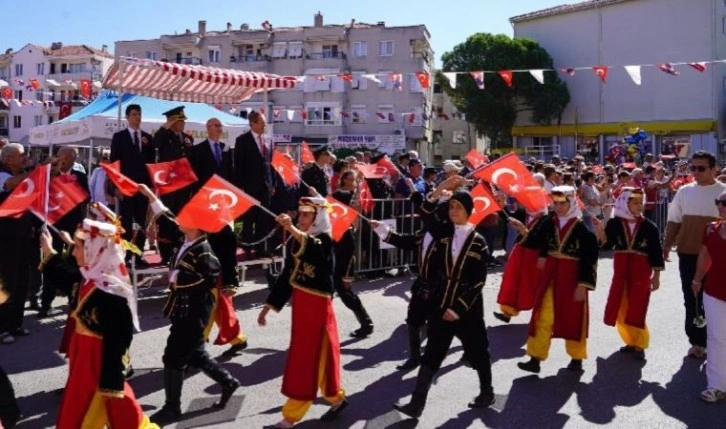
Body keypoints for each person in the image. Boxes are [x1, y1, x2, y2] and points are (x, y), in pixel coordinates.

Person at [393, 177, 495, 419]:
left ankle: (487, 391)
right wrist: (440, 190)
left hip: (466, 308)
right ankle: (416, 404)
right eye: (451, 206)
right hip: (441, 305)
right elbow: (426, 212)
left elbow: (478, 281)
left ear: (469, 211)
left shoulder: (479, 243)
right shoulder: (443, 234)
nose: (453, 211)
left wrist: (458, 308)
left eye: (458, 207)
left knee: (478, 350)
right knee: (432, 355)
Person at [139, 184, 241, 425]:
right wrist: (151, 196)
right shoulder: (185, 237)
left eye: (184, 217)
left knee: (172, 358)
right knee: (196, 354)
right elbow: (165, 216)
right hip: (182, 309)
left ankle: (172, 408)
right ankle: (229, 382)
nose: (179, 220)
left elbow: (206, 277)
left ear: (196, 225)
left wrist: (176, 278)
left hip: (194, 313)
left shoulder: (205, 250)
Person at [52, 215, 157, 429]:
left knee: (93, 416)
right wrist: (49, 254)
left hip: (97, 364)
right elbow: (66, 279)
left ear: (94, 249)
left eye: (78, 247)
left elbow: (119, 339)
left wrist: (110, 380)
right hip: (83, 361)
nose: (73, 252)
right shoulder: (89, 277)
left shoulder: (110, 292)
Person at [257, 197, 348, 429]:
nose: (302, 218)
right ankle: (336, 398)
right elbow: (288, 276)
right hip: (302, 307)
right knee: (319, 357)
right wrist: (269, 305)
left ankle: (291, 415)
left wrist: (291, 228)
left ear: (319, 217)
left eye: (307, 215)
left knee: (308, 358)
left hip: (317, 308)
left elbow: (316, 251)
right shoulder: (297, 241)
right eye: (301, 214)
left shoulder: (325, 241)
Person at [517, 185, 599, 374]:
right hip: (551, 274)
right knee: (543, 315)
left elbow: (589, 259)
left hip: (572, 275)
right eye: (555, 203)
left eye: (563, 203)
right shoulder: (548, 222)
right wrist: (523, 230)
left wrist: (583, 285)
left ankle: (577, 358)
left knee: (573, 317)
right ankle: (535, 357)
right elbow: (535, 241)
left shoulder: (582, 228)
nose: (558, 207)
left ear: (571, 202)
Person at [189, 118, 248, 356]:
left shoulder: (226, 151)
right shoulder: (198, 151)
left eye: (220, 127)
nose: (218, 129)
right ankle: (228, 337)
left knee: (216, 295)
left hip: (221, 212)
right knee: (212, 297)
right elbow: (193, 180)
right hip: (204, 207)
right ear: (207, 129)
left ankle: (203, 343)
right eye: (214, 126)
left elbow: (232, 180)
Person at [663, 150, 726, 359]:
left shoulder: (723, 193)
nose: (696, 172)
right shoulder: (684, 191)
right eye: (693, 168)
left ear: (714, 169)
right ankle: (698, 342)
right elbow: (674, 220)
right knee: (692, 299)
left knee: (719, 300)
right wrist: (666, 245)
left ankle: (718, 343)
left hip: (719, 257)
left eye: (701, 168)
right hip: (689, 253)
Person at [594, 188, 664, 360]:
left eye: (641, 202)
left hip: (641, 269)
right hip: (621, 268)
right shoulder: (615, 223)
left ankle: (640, 343)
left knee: (638, 305)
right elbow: (606, 246)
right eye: (635, 203)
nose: (639, 206)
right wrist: (600, 231)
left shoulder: (650, 227)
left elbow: (656, 252)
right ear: (625, 203)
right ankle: (630, 341)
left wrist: (656, 276)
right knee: (621, 305)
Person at [691, 190, 726, 402]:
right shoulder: (711, 229)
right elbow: (705, 255)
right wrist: (696, 279)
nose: (721, 206)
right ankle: (716, 386)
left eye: (725, 203)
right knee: (716, 338)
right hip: (714, 292)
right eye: (719, 202)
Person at [110, 104, 155, 266]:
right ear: (128, 117)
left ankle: (138, 253)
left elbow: (151, 164)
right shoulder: (119, 137)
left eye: (139, 114)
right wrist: (115, 186)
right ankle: (127, 255)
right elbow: (114, 163)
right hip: (126, 188)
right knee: (127, 223)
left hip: (143, 188)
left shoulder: (148, 138)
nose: (137, 117)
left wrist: (152, 188)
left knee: (141, 222)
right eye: (134, 114)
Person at [0, 144, 35, 344]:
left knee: (22, 280)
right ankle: (2, 327)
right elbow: (11, 184)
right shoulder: (2, 174)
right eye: (21, 155)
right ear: (8, 158)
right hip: (5, 238)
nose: (25, 157)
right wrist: (35, 172)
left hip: (22, 235)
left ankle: (16, 323)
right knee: (7, 282)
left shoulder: (23, 172)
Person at [332, 172, 373, 338]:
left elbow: (350, 253)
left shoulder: (345, 230)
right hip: (332, 265)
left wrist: (348, 276)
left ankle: (366, 322)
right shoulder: (335, 226)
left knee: (345, 293)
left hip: (341, 267)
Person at [493, 204, 548, 323]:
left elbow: (542, 241)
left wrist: (524, 231)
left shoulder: (546, 219)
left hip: (534, 256)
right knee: (512, 281)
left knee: (532, 285)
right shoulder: (523, 212)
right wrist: (502, 206)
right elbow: (509, 218)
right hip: (520, 252)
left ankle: (541, 314)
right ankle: (508, 312)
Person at [153, 106, 194, 264]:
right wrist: (165, 126)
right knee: (167, 218)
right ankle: (166, 253)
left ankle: (180, 249)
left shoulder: (187, 138)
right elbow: (155, 144)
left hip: (183, 185)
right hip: (169, 185)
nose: (182, 123)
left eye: (183, 121)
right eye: (179, 121)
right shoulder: (164, 136)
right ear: (172, 122)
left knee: (180, 218)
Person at [234, 111, 275, 258]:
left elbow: (271, 164)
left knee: (263, 218)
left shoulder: (268, 140)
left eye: (264, 122)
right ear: (252, 124)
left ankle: (260, 248)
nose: (264, 125)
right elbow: (238, 166)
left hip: (265, 185)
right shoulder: (242, 140)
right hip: (249, 186)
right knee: (249, 218)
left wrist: (273, 184)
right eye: (261, 122)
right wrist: (240, 187)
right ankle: (247, 249)